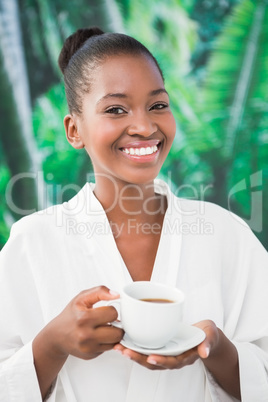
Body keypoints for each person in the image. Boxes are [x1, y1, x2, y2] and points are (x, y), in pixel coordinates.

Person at [0, 27, 268, 402]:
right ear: (74, 130)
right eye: (115, 109)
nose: (144, 127)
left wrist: (217, 347)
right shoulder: (32, 243)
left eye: (158, 105)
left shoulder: (227, 236)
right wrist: (52, 343)